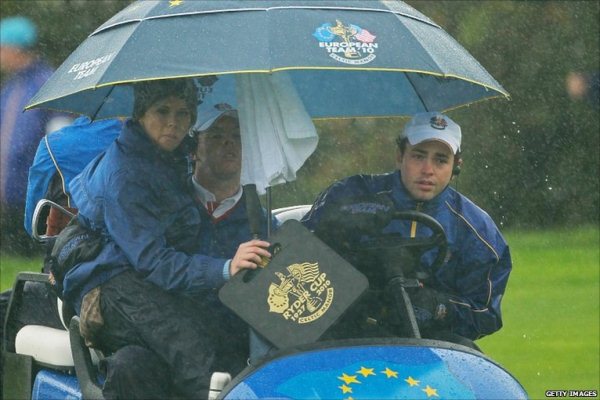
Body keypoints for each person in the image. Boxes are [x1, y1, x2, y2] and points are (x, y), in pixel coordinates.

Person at [62, 80, 272, 399]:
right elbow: (154, 262)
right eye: (162, 111)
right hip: (109, 285)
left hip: (143, 285)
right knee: (193, 353)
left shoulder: (161, 158)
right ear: (140, 113)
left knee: (196, 347)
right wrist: (225, 268)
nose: (173, 123)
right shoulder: (126, 174)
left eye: (183, 113)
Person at [302, 111, 512, 349]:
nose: (427, 170)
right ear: (400, 156)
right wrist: (336, 232)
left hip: (428, 343)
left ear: (456, 166)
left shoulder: (478, 230)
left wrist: (438, 307)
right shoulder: (349, 193)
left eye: (440, 160)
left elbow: (486, 314)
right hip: (341, 331)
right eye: (418, 156)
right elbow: (295, 258)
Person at [0, 16, 71, 254]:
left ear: (16, 48)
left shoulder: (47, 84)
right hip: (9, 198)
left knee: (31, 256)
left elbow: (59, 138)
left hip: (36, 197)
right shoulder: (10, 87)